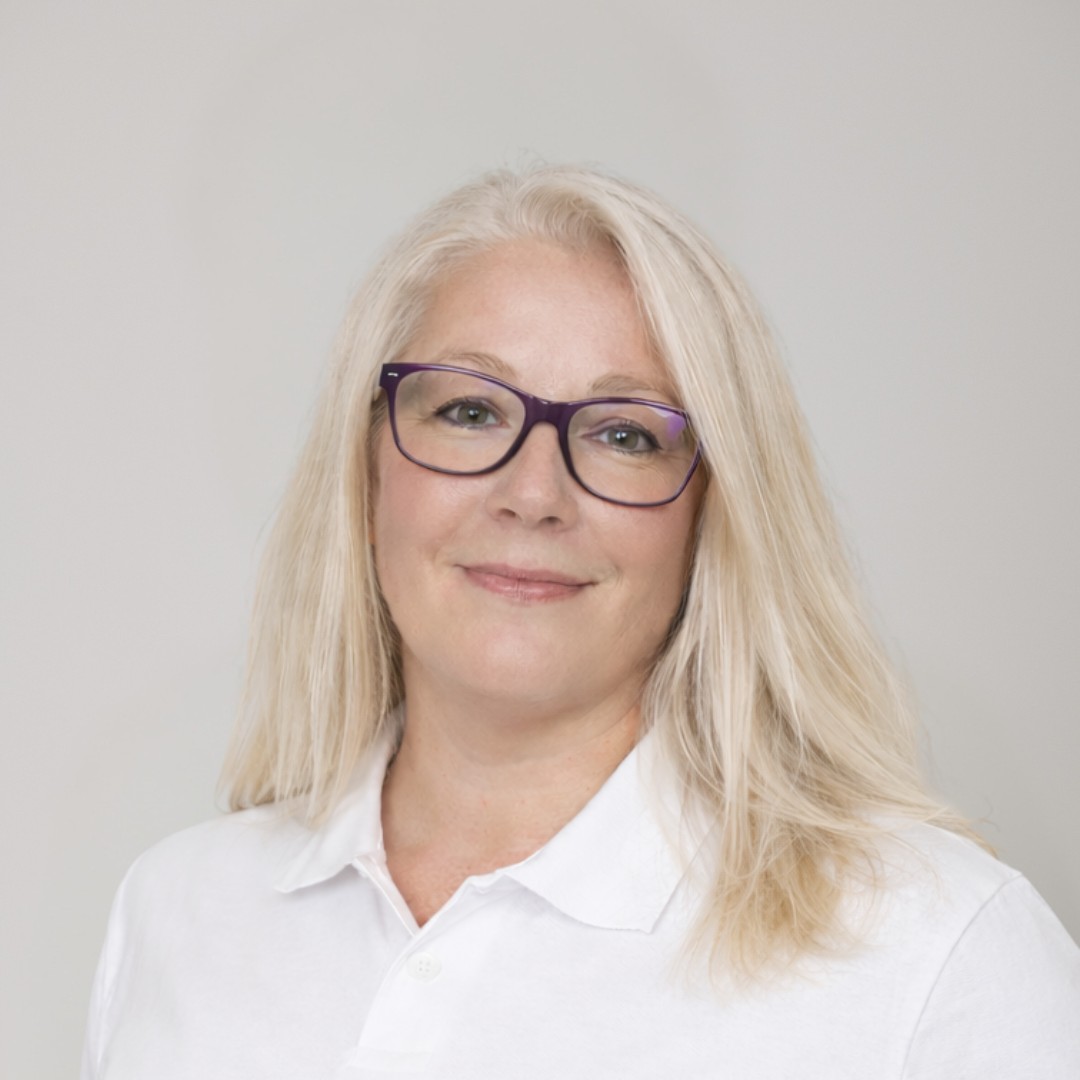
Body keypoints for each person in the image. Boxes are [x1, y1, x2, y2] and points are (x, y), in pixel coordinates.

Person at [81, 165, 1080, 1078]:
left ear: (716, 510)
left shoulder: (933, 952)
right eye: (469, 411)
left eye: (623, 434)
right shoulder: (179, 908)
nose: (533, 495)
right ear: (367, 465)